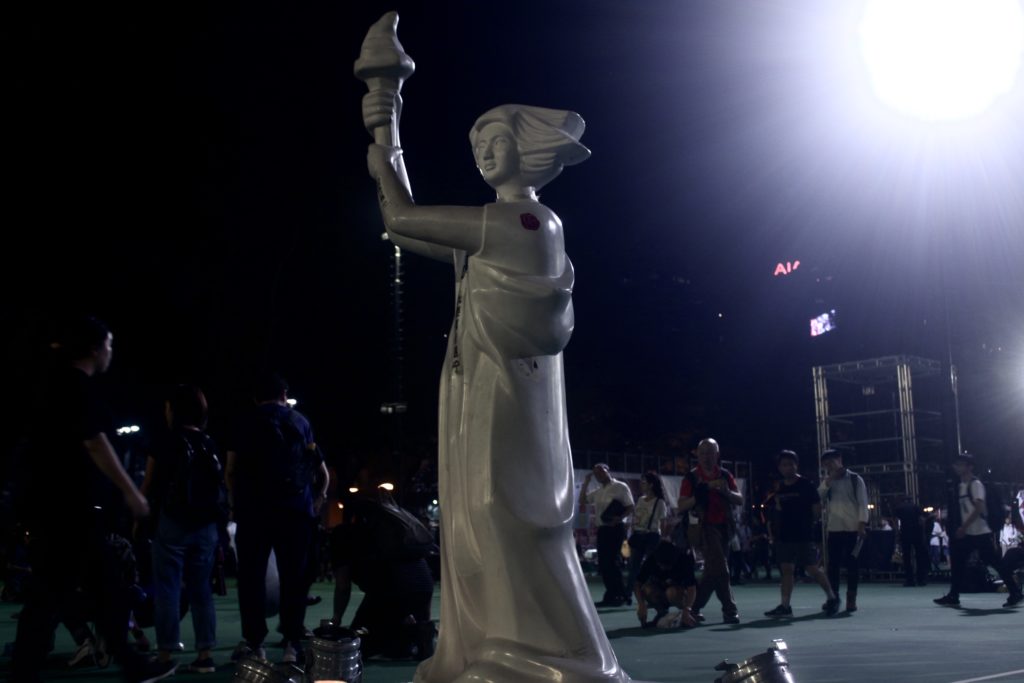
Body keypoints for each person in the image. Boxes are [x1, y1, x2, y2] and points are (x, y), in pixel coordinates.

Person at [365, 88, 630, 680]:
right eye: (478, 144)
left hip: (509, 397)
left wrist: (387, 152)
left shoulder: (524, 221)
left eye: (497, 141)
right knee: (479, 517)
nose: (484, 152)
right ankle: (499, 644)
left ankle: (536, 654)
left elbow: (401, 217)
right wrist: (389, 136)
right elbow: (405, 233)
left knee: (502, 511)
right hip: (483, 391)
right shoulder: (495, 228)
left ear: (526, 151)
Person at [11, 316, 168, 683]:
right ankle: (131, 664)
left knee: (67, 593)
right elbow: (95, 443)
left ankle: (129, 664)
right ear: (95, 349)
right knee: (93, 591)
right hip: (68, 510)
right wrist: (132, 492)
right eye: (109, 344)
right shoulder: (75, 386)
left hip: (56, 509)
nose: (111, 351)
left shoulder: (53, 385)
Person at [224, 373, 329, 664]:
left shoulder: (243, 422)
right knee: (294, 577)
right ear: (285, 394)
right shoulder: (300, 421)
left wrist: (236, 503)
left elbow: (231, 471)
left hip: (253, 511)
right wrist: (316, 501)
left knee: (251, 578)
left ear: (255, 397)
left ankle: (255, 642)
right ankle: (292, 643)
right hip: (295, 511)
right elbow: (322, 475)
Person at [140, 384, 223, 673]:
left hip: (173, 522)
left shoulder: (166, 440)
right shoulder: (209, 443)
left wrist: (139, 513)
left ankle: (165, 655)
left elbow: (149, 483)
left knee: (168, 589)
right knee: (202, 591)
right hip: (206, 525)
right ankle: (205, 655)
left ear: (174, 410)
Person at [934, 452, 1022, 608]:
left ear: (969, 467)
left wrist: (963, 526)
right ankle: (954, 594)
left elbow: (979, 507)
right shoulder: (961, 485)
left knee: (995, 563)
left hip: (979, 532)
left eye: (961, 464)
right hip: (970, 533)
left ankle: (1015, 592)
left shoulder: (975, 484)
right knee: (959, 562)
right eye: (956, 464)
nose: (957, 467)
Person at [763, 451, 839, 617]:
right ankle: (785, 606)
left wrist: (807, 524)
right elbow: (778, 508)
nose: (787, 467)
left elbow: (817, 509)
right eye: (784, 464)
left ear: (796, 465)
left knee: (812, 568)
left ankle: (832, 598)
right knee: (786, 569)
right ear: (779, 467)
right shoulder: (780, 487)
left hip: (803, 534)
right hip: (784, 535)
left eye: (791, 464)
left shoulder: (806, 485)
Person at [678, 438, 743, 624]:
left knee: (712, 572)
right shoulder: (691, 477)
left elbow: (739, 499)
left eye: (711, 452)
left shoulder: (724, 475)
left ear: (717, 454)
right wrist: (700, 494)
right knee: (721, 568)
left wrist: (726, 492)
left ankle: (693, 608)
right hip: (703, 527)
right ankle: (730, 610)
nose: (707, 457)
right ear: (697, 455)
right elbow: (681, 505)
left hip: (725, 527)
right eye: (703, 453)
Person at [818, 449, 868, 613]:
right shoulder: (828, 481)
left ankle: (851, 598)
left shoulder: (855, 479)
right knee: (833, 566)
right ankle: (833, 598)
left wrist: (862, 525)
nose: (829, 466)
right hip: (834, 528)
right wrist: (828, 480)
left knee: (852, 565)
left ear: (839, 460)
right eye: (826, 464)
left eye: (831, 462)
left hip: (853, 528)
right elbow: (818, 497)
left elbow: (863, 502)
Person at [581, 464, 635, 607]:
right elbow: (583, 501)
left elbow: (630, 506)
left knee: (613, 562)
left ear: (608, 471)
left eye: (601, 471)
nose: (599, 475)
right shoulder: (598, 491)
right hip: (603, 529)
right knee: (604, 564)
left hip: (616, 528)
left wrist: (620, 517)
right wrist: (586, 483)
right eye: (596, 473)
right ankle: (614, 593)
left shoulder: (620, 487)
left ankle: (618, 594)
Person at [633, 540, 697, 629]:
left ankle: (687, 614)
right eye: (660, 565)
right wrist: (641, 604)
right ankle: (662, 613)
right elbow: (637, 584)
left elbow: (692, 589)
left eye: (666, 566)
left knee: (671, 592)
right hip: (659, 590)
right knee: (647, 589)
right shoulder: (651, 560)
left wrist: (687, 609)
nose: (662, 568)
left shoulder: (684, 560)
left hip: (679, 593)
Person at [626, 472, 667, 600]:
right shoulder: (640, 499)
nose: (641, 485)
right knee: (633, 567)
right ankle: (628, 594)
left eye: (644, 482)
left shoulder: (659, 502)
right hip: (639, 534)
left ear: (651, 485)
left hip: (652, 536)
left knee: (652, 566)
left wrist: (663, 538)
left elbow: (663, 522)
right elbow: (635, 516)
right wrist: (632, 528)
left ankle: (654, 593)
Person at [893, 496, 930, 587]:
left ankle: (910, 580)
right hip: (917, 533)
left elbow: (896, 521)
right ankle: (921, 579)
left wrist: (897, 533)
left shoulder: (899, 508)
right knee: (919, 556)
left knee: (907, 557)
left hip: (905, 532)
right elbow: (922, 520)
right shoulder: (916, 507)